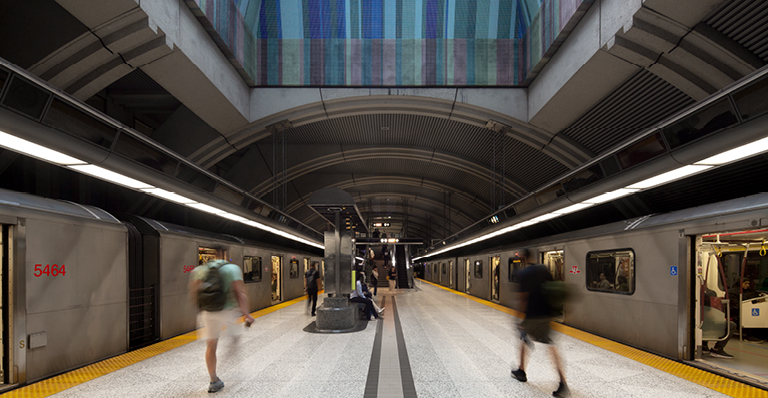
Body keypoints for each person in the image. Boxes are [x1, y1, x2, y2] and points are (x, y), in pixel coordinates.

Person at [189, 251, 255, 393]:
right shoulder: (232, 269)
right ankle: (228, 357)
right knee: (235, 339)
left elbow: (194, 292)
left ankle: (213, 380)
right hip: (228, 311)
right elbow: (240, 293)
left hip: (208, 312)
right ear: (225, 256)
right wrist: (246, 314)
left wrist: (201, 310)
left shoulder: (200, 270)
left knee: (211, 345)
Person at [511, 250, 569, 398]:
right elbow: (552, 289)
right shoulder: (543, 269)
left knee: (523, 339)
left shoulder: (524, 274)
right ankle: (562, 382)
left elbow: (523, 298)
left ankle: (521, 371)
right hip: (546, 314)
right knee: (550, 345)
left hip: (532, 315)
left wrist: (519, 318)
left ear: (523, 258)